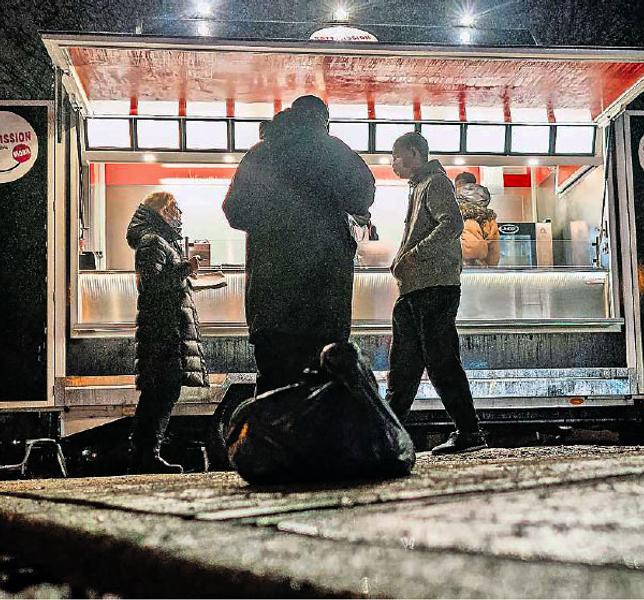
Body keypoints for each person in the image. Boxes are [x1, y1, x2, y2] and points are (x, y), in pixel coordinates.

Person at [223, 95, 375, 395]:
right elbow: (363, 196)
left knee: (273, 390)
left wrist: (274, 218)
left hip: (271, 302)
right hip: (325, 300)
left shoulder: (261, 153)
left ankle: (270, 440)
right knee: (324, 392)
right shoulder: (336, 153)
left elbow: (234, 210)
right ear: (324, 121)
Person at [386, 132, 487, 455]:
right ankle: (388, 435)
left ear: (414, 154)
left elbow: (451, 225)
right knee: (404, 366)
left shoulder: (436, 183)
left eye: (396, 157)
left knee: (440, 360)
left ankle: (469, 432)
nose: (392, 164)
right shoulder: (420, 186)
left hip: (434, 287)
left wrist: (414, 255)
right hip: (415, 289)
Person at [125, 191, 209, 474]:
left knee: (162, 391)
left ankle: (146, 454)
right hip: (163, 331)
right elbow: (151, 285)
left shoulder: (159, 241)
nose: (179, 217)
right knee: (160, 392)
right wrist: (184, 268)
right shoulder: (153, 241)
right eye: (175, 211)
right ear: (162, 211)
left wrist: (182, 272)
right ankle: (145, 456)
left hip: (165, 328)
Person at [454, 172, 500, 267]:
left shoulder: (451, 208)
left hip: (456, 266)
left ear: (458, 184)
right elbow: (494, 251)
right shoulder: (487, 215)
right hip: (479, 267)